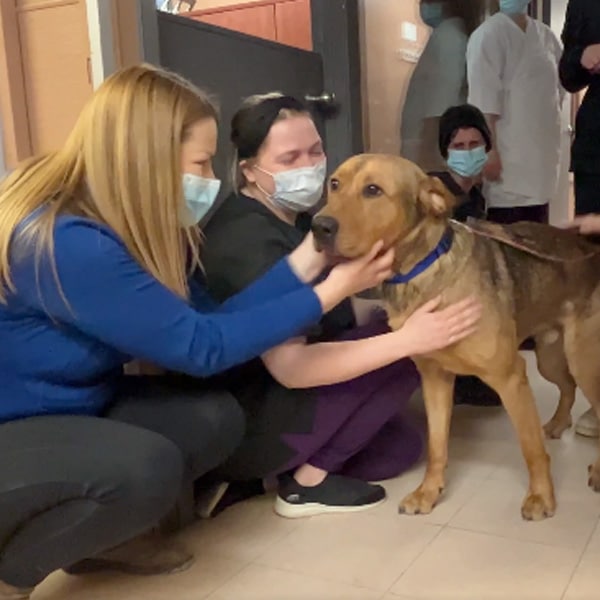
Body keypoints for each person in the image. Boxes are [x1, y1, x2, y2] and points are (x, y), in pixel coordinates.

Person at [0, 66, 402, 599]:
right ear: (147, 160)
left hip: (71, 405)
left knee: (212, 417)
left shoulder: (141, 229)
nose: (211, 179)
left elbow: (212, 318)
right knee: (147, 468)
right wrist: (331, 291)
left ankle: (95, 541)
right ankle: (14, 572)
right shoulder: (69, 242)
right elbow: (203, 348)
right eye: (201, 162)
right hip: (17, 424)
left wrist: (310, 260)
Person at [200, 93, 482, 520]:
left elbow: (332, 310)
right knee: (414, 349)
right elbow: (292, 369)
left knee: (399, 450)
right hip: (253, 413)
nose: (308, 167)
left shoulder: (294, 221)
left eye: (315, 152)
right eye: (289, 157)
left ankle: (262, 479)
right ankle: (303, 484)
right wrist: (407, 337)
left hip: (285, 399)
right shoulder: (247, 240)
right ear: (249, 170)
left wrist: (394, 309)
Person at [427, 103, 502, 407]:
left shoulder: (474, 195)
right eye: (458, 146)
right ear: (446, 153)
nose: (467, 152)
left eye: (474, 144)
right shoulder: (435, 192)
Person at [466, 0, 565, 225]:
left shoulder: (546, 37)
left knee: (539, 237)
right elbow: (483, 101)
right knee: (509, 240)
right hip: (507, 165)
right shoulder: (488, 35)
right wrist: (489, 153)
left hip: (541, 162)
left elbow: (558, 92)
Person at [559, 0, 600, 439]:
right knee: (592, 277)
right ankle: (596, 396)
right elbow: (566, 73)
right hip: (595, 149)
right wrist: (581, 59)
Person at [401, 0, 486, 171]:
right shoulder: (451, 34)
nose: (422, 5)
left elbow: (440, 105)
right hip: (431, 144)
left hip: (430, 147)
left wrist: (426, 155)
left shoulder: (450, 36)